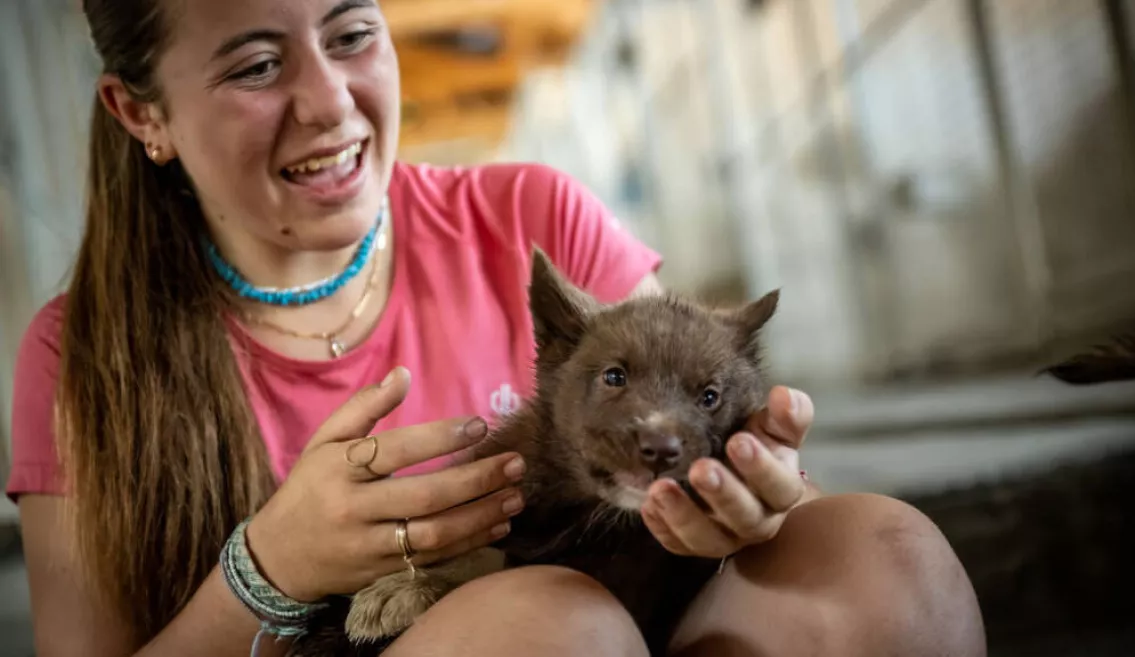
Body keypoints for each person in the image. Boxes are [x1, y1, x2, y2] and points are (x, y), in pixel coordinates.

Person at [7, 0, 986, 655]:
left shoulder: (531, 220)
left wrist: (758, 502)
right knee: (549, 630)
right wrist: (270, 570)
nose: (330, 101)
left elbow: (695, 416)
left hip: (658, 624)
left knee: (881, 554)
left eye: (352, 33)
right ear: (141, 113)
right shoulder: (83, 357)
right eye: (258, 64)